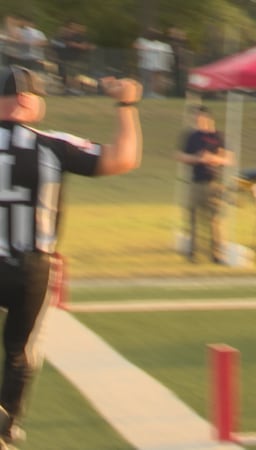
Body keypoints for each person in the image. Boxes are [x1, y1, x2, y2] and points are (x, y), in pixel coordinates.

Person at [0, 65, 142, 448]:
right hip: (32, 265)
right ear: (33, 102)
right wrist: (126, 104)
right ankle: (7, 428)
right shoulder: (50, 144)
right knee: (20, 350)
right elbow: (124, 158)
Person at [175, 105, 232, 264]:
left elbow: (228, 159)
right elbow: (180, 156)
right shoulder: (192, 136)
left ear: (208, 118)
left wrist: (213, 159)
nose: (197, 121)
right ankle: (193, 253)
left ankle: (217, 255)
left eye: (200, 117)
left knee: (214, 221)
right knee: (193, 219)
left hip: (214, 183)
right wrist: (197, 159)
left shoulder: (218, 136)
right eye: (195, 118)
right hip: (196, 182)